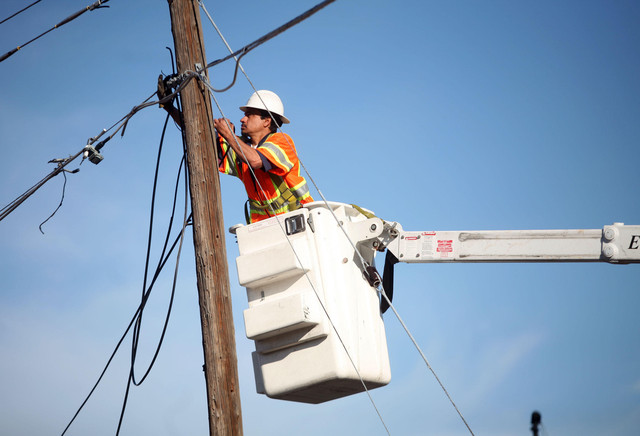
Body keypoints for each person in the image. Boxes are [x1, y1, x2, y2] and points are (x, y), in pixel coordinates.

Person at [213, 90, 313, 223]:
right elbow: (201, 136)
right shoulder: (241, 149)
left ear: (266, 121)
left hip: (298, 221)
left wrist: (229, 135)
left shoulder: (282, 141)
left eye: (249, 115)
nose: (242, 119)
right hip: (265, 229)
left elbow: (255, 160)